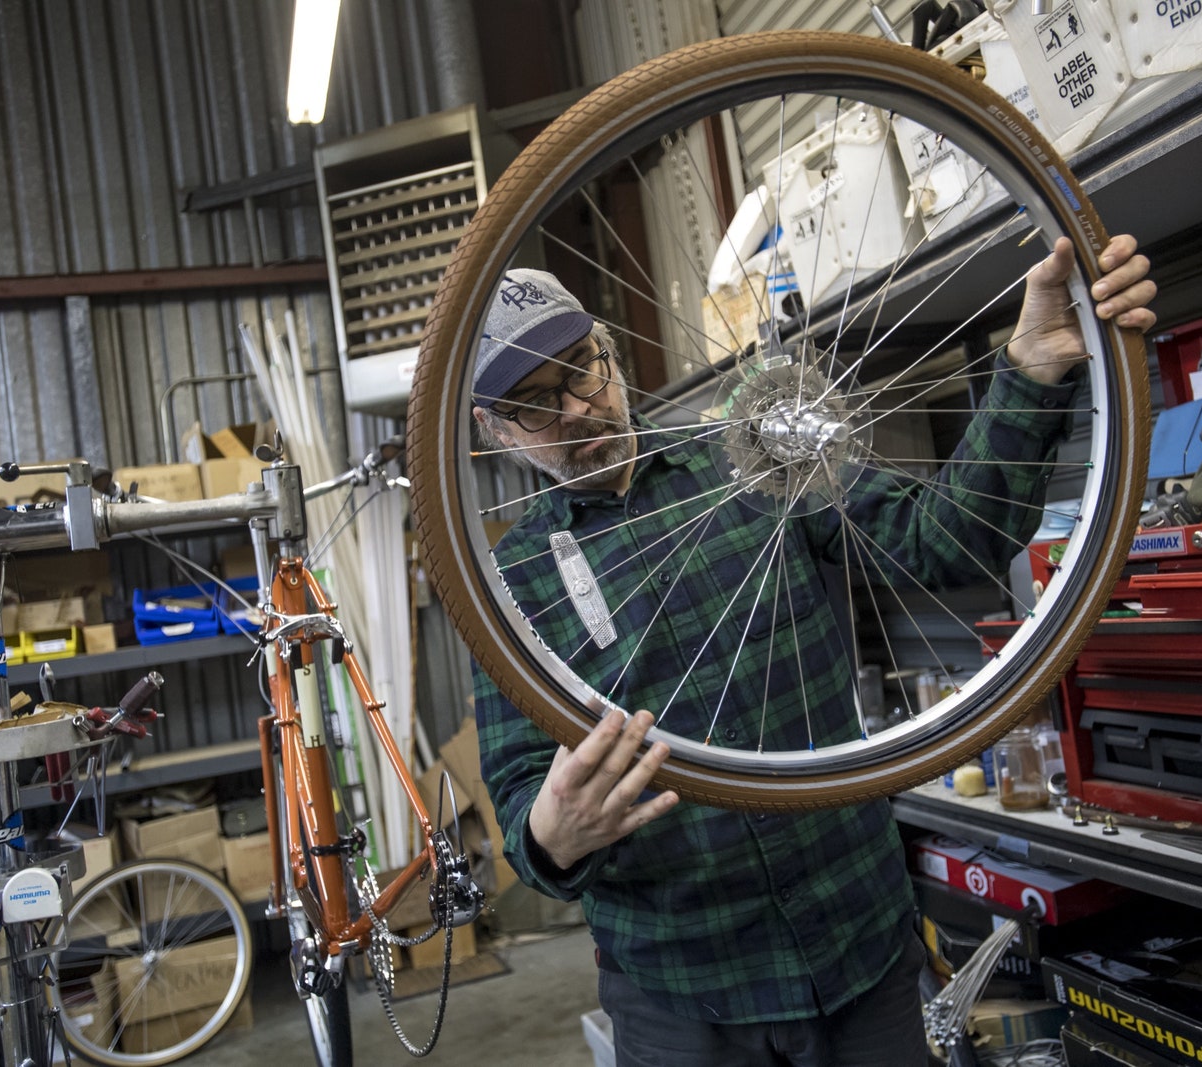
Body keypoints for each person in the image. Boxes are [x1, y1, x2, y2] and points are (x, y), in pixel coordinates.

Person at [469, 237, 1157, 1067]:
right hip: (685, 996)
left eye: (582, 368)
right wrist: (553, 834)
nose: (578, 408)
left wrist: (1030, 365)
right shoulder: (505, 587)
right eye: (537, 404)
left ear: (610, 348)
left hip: (858, 943)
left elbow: (944, 538)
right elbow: (518, 811)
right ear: (491, 430)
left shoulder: (748, 454)